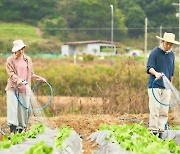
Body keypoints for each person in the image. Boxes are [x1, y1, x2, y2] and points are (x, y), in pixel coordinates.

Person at [5, 40, 46, 133]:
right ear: (15, 50)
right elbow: (10, 73)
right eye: (19, 49)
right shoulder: (10, 60)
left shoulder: (28, 59)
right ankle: (13, 129)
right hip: (13, 88)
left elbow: (31, 74)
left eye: (22, 49)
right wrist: (18, 79)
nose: (21, 51)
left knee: (23, 109)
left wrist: (40, 78)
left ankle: (21, 128)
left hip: (24, 88)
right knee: (12, 108)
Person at [146, 32, 179, 135]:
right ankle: (153, 131)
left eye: (170, 44)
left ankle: (161, 131)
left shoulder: (171, 55)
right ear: (163, 41)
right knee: (155, 109)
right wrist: (156, 73)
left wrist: (170, 85)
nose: (168, 45)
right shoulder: (155, 53)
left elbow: (171, 72)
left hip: (166, 87)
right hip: (155, 86)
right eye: (167, 43)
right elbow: (149, 68)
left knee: (164, 111)